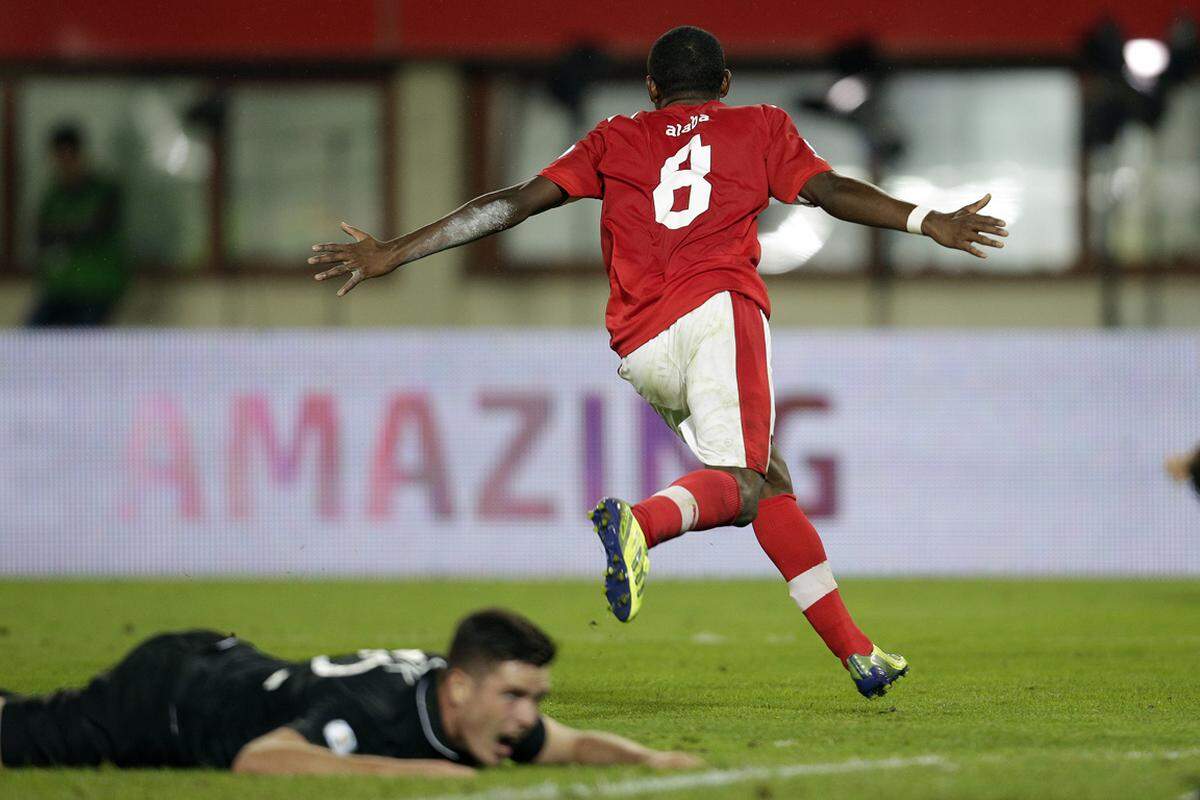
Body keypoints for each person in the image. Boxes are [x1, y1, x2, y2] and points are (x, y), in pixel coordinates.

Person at [308, 26, 1008, 699]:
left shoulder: (616, 136)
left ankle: (857, 652)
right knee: (739, 482)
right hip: (718, 311)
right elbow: (829, 192)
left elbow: (514, 205)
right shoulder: (761, 125)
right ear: (725, 84)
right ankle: (640, 522)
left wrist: (395, 251)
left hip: (642, 345)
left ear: (652, 89)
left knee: (766, 481)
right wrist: (929, 220)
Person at [0, 608, 700, 774]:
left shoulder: (483, 717)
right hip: (167, 700)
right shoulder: (375, 706)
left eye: (534, 699)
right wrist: (415, 774)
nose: (527, 717)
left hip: (229, 661)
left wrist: (650, 760)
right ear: (459, 688)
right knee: (24, 737)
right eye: (516, 696)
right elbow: (262, 758)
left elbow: (573, 745)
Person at [27, 123, 127, 327]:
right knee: (28, 343)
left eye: (70, 157)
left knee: (83, 347)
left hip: (97, 289)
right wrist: (71, 230)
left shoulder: (105, 191)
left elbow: (96, 227)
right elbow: (40, 234)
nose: (65, 165)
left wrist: (61, 232)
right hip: (59, 288)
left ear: (81, 155)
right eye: (59, 158)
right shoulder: (53, 196)